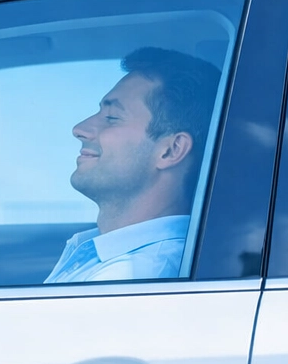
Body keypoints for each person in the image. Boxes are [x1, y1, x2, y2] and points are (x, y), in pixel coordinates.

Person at [45, 46, 221, 284]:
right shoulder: (115, 262)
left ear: (171, 150)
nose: (80, 129)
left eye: (112, 118)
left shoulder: (129, 277)